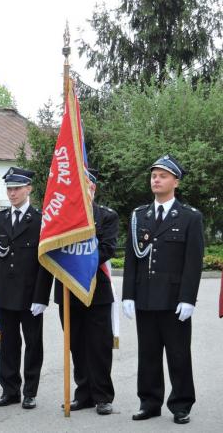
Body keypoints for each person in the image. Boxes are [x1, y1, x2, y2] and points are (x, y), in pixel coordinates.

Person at [122, 155, 204, 425]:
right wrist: (128, 295)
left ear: (175, 182)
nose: (156, 180)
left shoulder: (190, 217)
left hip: (173, 299)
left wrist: (188, 298)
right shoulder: (139, 215)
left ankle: (181, 404)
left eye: (163, 176)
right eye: (154, 176)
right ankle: (149, 402)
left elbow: (193, 263)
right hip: (145, 297)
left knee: (178, 354)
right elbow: (132, 259)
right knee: (148, 354)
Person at [0, 167, 53, 409]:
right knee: (8, 344)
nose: (12, 193)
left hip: (30, 293)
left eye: (17, 188)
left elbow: (45, 262)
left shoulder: (40, 220)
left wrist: (41, 297)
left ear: (29, 189)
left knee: (33, 344)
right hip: (5, 292)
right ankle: (10, 390)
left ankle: (30, 391)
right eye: (9, 189)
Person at [53, 170, 119, 415]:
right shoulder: (60, 217)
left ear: (93, 188)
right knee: (76, 344)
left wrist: (77, 263)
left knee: (99, 346)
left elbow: (107, 248)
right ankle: (84, 394)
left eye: (86, 184)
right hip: (68, 289)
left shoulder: (106, 216)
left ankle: (102, 396)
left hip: (96, 290)